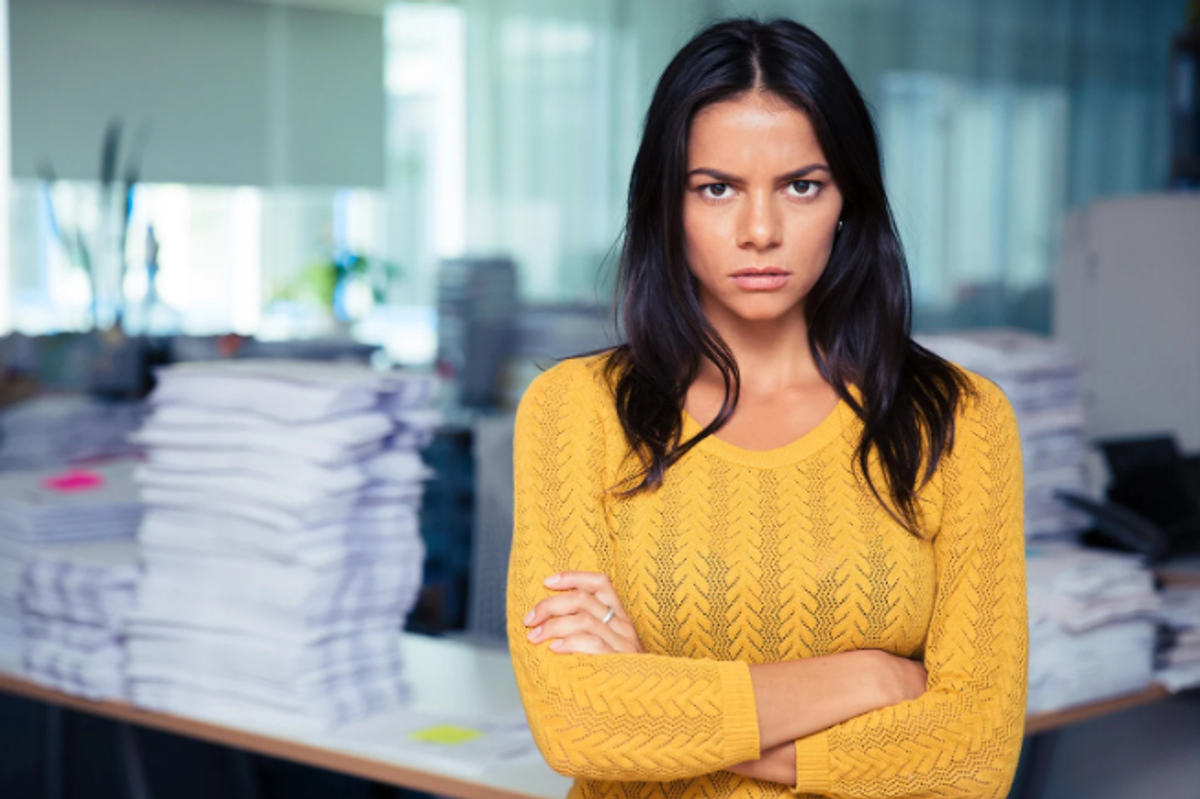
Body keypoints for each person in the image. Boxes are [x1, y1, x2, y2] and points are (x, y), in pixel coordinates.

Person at [507, 17, 1027, 799]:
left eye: (801, 185)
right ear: (667, 205)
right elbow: (574, 720)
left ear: (847, 197)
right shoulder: (575, 413)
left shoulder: (957, 420)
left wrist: (659, 698)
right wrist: (868, 676)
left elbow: (975, 753)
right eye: (716, 188)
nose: (760, 231)